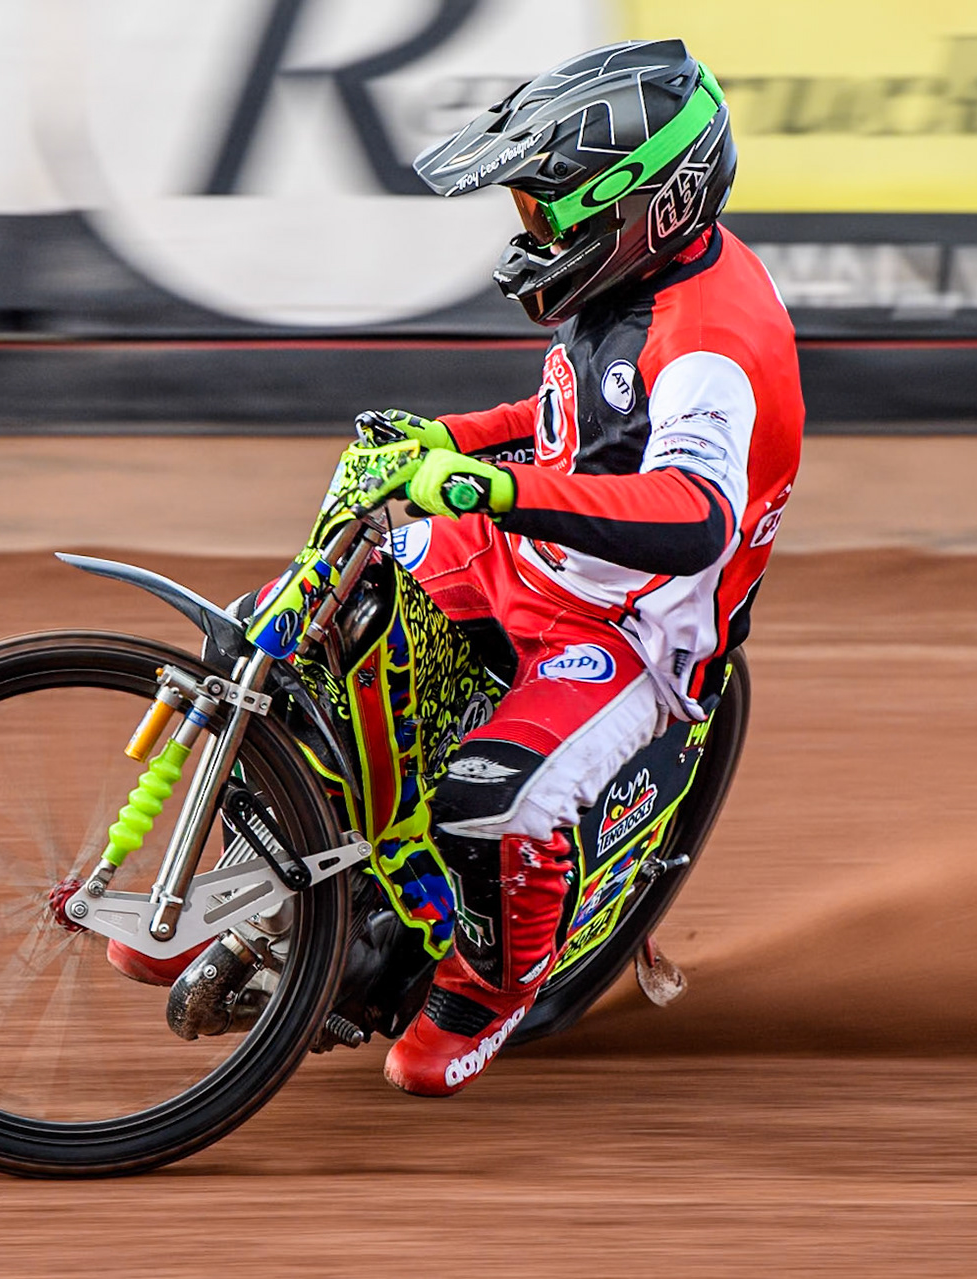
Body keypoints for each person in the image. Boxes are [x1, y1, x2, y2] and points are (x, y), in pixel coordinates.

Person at [359, 38, 805, 1096]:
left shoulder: (710, 346)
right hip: (531, 555)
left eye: (550, 210)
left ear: (646, 205)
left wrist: (491, 487)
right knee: (321, 618)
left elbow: (694, 514)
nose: (533, 233)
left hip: (630, 634)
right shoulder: (643, 274)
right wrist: (454, 439)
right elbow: (572, 413)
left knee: (486, 798)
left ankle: (495, 977)